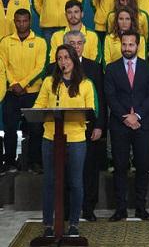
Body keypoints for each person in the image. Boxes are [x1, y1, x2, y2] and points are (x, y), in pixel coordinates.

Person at [34, 44, 96, 238]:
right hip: (51, 138)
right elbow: (38, 106)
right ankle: (48, 225)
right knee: (50, 182)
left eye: (67, 58)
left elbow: (90, 110)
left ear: (74, 60)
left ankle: (74, 224)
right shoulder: (49, 82)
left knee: (76, 182)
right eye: (60, 58)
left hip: (76, 139)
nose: (63, 62)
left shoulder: (85, 83)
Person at [46, 31, 107, 221]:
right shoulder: (51, 69)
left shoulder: (94, 67)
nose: (76, 46)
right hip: (59, 130)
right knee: (63, 171)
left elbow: (101, 101)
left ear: (84, 44)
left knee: (89, 169)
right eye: (71, 43)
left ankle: (88, 208)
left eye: (79, 43)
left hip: (87, 128)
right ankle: (64, 210)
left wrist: (99, 126)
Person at [105, 31, 149, 222]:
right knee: (120, 167)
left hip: (143, 124)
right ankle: (121, 209)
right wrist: (126, 117)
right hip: (120, 124)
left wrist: (137, 116)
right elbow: (110, 96)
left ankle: (141, 208)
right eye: (124, 45)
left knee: (142, 167)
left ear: (138, 45)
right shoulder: (111, 68)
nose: (127, 48)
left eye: (131, 45)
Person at [0, 8, 46, 173]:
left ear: (30, 21)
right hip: (12, 92)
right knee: (10, 128)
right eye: (18, 21)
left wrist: (24, 84)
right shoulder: (5, 42)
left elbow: (40, 67)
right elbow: (3, 66)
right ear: (14, 21)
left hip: (33, 93)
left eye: (25, 21)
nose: (22, 24)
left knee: (35, 129)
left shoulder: (40, 41)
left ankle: (35, 162)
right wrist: (14, 83)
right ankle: (10, 161)